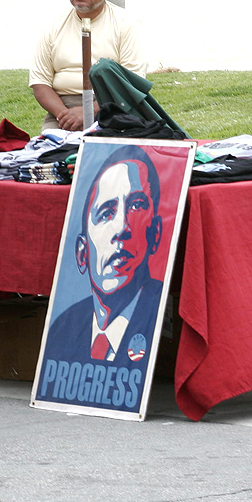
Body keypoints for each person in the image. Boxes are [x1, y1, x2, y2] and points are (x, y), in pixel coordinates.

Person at [43, 145, 163, 368]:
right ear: (82, 252)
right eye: (106, 212)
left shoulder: (161, 318)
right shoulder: (62, 329)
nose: (121, 228)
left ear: (156, 234)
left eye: (136, 206)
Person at [29, 0, 145, 133]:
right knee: (50, 155)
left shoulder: (125, 24)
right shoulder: (53, 24)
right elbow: (39, 82)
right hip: (62, 111)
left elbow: (131, 82)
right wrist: (66, 116)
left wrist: (88, 112)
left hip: (112, 107)